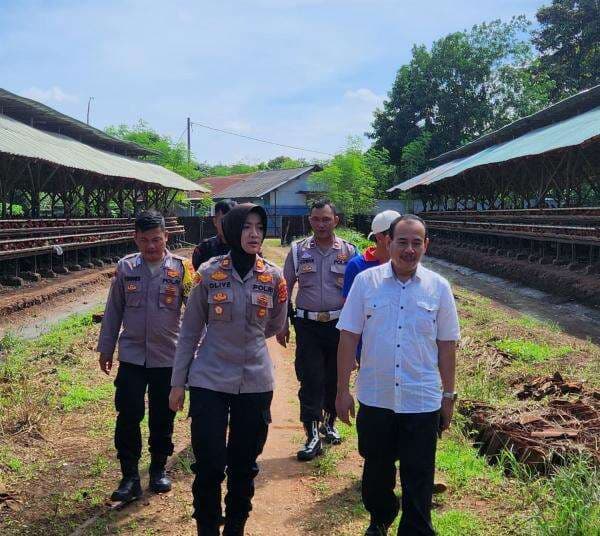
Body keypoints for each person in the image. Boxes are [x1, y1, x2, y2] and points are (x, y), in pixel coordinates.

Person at [336, 215, 460, 536]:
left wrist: (449, 395)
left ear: (425, 245)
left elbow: (447, 346)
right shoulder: (366, 283)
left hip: (422, 399)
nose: (409, 249)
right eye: (402, 242)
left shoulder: (439, 288)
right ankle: (381, 516)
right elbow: (348, 337)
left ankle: (416, 528)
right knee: (376, 472)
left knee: (418, 474)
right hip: (377, 397)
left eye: (416, 243)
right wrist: (342, 390)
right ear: (388, 243)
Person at [169, 203, 288, 536]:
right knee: (208, 463)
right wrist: (178, 383)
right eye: (247, 227)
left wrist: (245, 339)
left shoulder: (273, 276)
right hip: (209, 379)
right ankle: (207, 528)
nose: (254, 234)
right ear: (233, 230)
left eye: (260, 228)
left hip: (255, 382)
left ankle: (235, 526)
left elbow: (276, 323)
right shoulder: (207, 274)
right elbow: (190, 330)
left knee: (244, 465)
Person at [97, 210, 194, 503]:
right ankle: (129, 477)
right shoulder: (126, 268)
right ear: (135, 239)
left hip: (168, 357)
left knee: (163, 416)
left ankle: (158, 470)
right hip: (132, 357)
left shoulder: (183, 269)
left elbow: (195, 315)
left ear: (166, 236)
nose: (151, 246)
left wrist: (195, 355)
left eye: (156, 239)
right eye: (144, 240)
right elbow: (114, 310)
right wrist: (106, 346)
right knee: (128, 414)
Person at [276, 199, 357, 461]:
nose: (321, 224)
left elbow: (358, 295)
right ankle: (311, 434)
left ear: (336, 220)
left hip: (339, 326)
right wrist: (282, 323)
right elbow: (284, 290)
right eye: (316, 219)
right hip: (307, 325)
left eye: (326, 219)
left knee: (335, 377)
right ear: (309, 220)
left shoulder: (349, 251)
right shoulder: (298, 251)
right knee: (310, 378)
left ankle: (329, 424)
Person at [192, 199, 236, 270]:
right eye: (224, 220)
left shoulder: (245, 247)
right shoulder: (203, 249)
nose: (228, 224)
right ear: (215, 221)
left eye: (232, 220)